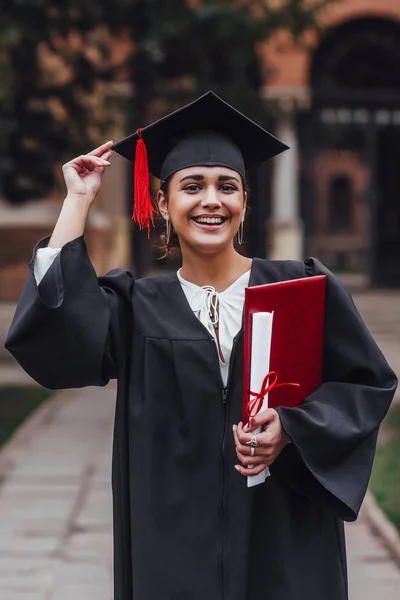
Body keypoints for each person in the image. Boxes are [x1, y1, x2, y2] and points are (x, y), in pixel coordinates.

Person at [5, 91, 397, 600]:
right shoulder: (134, 304)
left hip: (281, 533)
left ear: (244, 202)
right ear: (164, 202)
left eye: (226, 187)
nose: (211, 199)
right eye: (192, 186)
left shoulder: (301, 290)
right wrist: (77, 200)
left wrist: (296, 427)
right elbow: (57, 342)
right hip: (171, 541)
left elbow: (367, 385)